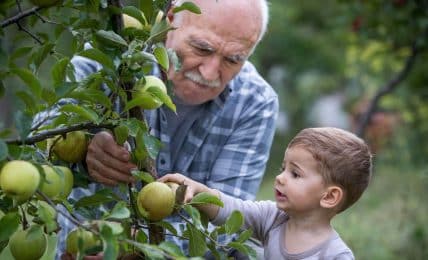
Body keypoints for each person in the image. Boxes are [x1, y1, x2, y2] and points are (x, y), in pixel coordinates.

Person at [57, 0, 278, 258]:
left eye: (233, 59)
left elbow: (228, 225)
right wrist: (83, 143)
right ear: (171, 19)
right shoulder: (111, 56)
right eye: (202, 48)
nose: (209, 73)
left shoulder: (255, 102)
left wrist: (141, 249)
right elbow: (45, 128)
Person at [159, 127, 373, 260]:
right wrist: (196, 191)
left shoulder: (335, 255)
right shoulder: (273, 218)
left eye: (295, 174)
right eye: (283, 169)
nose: (280, 178)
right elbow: (230, 208)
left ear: (329, 197)